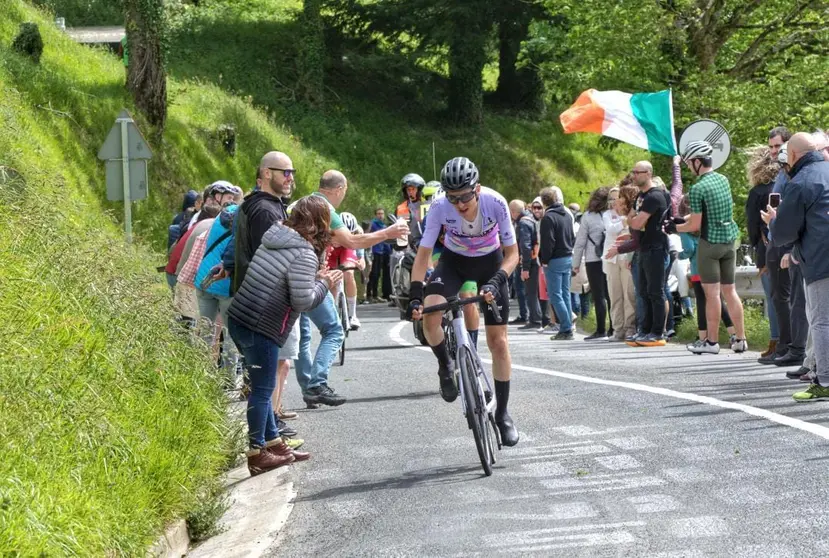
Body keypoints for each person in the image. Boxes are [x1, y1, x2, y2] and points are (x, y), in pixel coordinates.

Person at [407, 157, 520, 447]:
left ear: (477, 189)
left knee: (499, 343)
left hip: (491, 263)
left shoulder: (496, 203)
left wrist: (498, 280)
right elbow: (423, 253)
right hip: (454, 263)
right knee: (430, 318)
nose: (459, 204)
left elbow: (513, 254)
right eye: (453, 197)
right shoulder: (439, 207)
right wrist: (415, 294)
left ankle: (503, 414)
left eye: (466, 196)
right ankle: (446, 365)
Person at [228, 196, 339, 475]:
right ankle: (256, 453)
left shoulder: (275, 238)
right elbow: (302, 301)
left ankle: (275, 444)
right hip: (261, 325)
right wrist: (324, 283)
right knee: (262, 390)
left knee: (261, 387)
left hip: (240, 319)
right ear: (320, 223)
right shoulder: (303, 253)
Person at [298, 170, 408, 407]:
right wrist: (389, 233)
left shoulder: (301, 203)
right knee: (334, 330)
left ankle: (308, 389)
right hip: (307, 277)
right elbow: (354, 241)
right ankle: (316, 384)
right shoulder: (325, 208)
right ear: (339, 189)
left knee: (302, 337)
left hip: (289, 275)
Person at [766, 132, 829, 401]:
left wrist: (772, 221)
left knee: (822, 321)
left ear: (791, 154)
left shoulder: (800, 182)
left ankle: (824, 381)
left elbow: (783, 234)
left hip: (820, 259)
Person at [676, 142, 747, 354]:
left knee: (712, 294)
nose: (689, 166)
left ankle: (711, 342)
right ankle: (740, 339)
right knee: (730, 291)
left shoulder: (698, 188)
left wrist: (676, 227)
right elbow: (708, 212)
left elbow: (695, 225)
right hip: (729, 242)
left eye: (690, 162)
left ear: (698, 161)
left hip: (709, 244)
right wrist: (682, 220)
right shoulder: (723, 180)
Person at [745, 146, 780, 361]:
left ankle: (776, 341)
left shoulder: (758, 192)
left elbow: (752, 225)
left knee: (773, 298)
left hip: (767, 249)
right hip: (790, 247)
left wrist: (755, 246)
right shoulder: (787, 185)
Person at [573, 187, 611, 340]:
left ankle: (601, 329)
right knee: (611, 295)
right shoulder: (612, 215)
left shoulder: (588, 217)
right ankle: (614, 328)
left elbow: (580, 242)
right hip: (610, 258)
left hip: (592, 259)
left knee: (598, 295)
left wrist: (576, 264)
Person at [539, 186, 576, 341]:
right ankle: (568, 326)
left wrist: (545, 260)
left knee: (555, 295)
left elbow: (548, 242)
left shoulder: (548, 218)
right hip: (567, 256)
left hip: (554, 259)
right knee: (565, 293)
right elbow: (572, 236)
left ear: (543, 202)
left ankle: (566, 327)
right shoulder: (567, 215)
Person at [603, 186, 637, 341]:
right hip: (611, 258)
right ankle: (618, 329)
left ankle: (630, 327)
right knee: (615, 294)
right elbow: (610, 230)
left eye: (618, 199)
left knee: (628, 292)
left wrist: (625, 221)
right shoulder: (607, 215)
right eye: (612, 199)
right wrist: (623, 222)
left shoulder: (631, 214)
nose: (615, 203)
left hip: (626, 256)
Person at [509, 200, 542, 329]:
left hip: (529, 261)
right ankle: (537, 318)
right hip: (535, 259)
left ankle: (535, 320)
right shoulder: (531, 218)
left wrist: (525, 267)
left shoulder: (523, 223)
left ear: (513, 212)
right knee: (533, 292)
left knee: (530, 292)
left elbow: (525, 246)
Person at [368, 207, 392, 302]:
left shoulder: (384, 226)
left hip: (382, 252)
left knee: (381, 274)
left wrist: (389, 252)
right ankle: (371, 295)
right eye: (378, 213)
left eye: (382, 213)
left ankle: (380, 294)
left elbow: (386, 240)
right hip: (374, 251)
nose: (380, 215)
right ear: (375, 215)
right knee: (374, 274)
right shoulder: (373, 224)